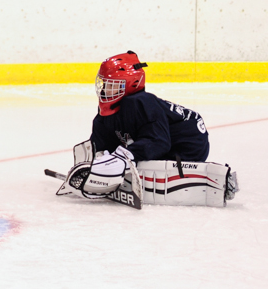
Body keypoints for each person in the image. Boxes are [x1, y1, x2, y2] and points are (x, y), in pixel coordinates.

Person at [62, 51, 238, 204]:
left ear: (131, 84)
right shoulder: (105, 113)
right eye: (104, 84)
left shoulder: (141, 103)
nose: (104, 91)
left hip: (189, 141)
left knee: (146, 157)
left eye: (112, 85)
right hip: (161, 137)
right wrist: (98, 159)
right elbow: (104, 141)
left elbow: (159, 141)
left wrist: (125, 156)